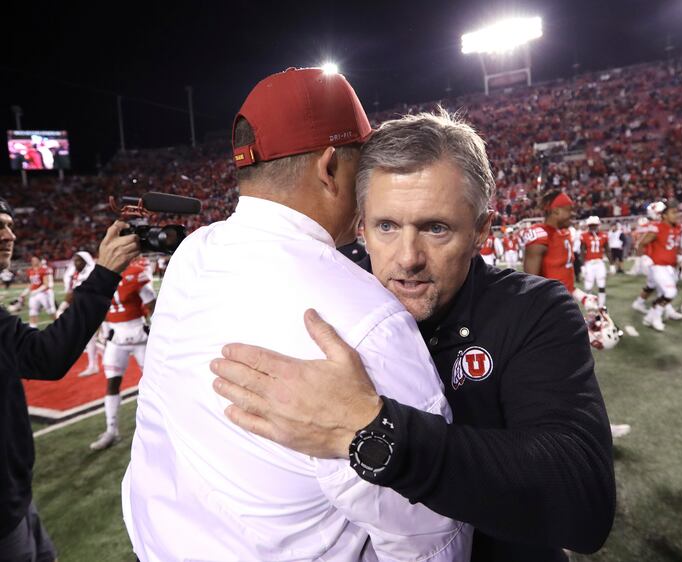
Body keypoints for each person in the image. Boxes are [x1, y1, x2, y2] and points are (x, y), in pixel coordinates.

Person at [210, 110, 616, 562]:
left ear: (482, 230)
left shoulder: (533, 308)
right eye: (387, 227)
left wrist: (373, 429)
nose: (407, 258)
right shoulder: (336, 303)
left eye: (435, 228)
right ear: (360, 226)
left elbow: (583, 502)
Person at [122, 69, 470, 561]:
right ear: (330, 168)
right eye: (362, 165)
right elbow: (429, 535)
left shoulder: (192, 253)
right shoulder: (366, 319)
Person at [0, 197, 139, 562]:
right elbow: (47, 356)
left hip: (16, 495)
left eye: (10, 225)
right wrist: (106, 274)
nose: (9, 235)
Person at [90, 256, 156, 450]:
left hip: (139, 336)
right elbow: (99, 307)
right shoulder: (101, 278)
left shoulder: (135, 275)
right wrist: (103, 328)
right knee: (112, 382)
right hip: (116, 338)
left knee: (154, 382)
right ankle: (111, 430)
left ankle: (160, 424)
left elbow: (154, 306)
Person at [631, 201, 682, 332]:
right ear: (664, 215)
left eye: (677, 212)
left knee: (664, 292)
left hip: (671, 266)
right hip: (658, 266)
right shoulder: (657, 227)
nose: (676, 215)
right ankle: (655, 318)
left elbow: (676, 247)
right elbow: (641, 243)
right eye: (673, 212)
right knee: (669, 292)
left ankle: (649, 318)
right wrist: (642, 258)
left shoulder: (678, 227)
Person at [58, 251, 102, 376]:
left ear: (85, 261)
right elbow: (72, 293)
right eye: (75, 260)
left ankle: (94, 364)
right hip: (84, 308)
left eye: (78, 260)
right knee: (90, 338)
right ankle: (94, 363)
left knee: (93, 337)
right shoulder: (78, 274)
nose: (76, 263)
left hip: (95, 308)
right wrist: (64, 305)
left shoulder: (91, 273)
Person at [580, 216, 609, 308]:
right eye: (591, 226)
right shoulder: (584, 235)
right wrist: (582, 265)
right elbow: (582, 251)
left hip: (599, 262)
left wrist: (611, 264)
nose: (593, 227)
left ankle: (601, 305)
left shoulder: (604, 235)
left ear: (598, 225)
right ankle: (589, 302)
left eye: (594, 225)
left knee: (601, 283)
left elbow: (608, 250)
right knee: (588, 285)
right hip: (589, 263)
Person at [21, 256, 56, 328]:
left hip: (45, 293)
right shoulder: (30, 270)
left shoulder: (44, 270)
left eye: (35, 260)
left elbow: (46, 284)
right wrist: (24, 293)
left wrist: (36, 291)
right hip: (34, 294)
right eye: (32, 260)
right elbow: (32, 284)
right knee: (32, 312)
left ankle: (61, 326)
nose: (32, 262)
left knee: (51, 312)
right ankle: (32, 331)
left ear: (39, 261)